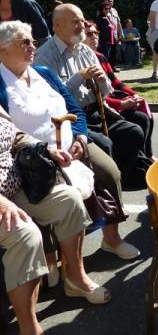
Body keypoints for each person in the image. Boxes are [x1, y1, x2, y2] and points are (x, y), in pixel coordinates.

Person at [0, 20, 140, 265]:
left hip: (71, 143)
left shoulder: (43, 72)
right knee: (57, 196)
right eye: (25, 42)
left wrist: (81, 137)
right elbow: (8, 134)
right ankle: (54, 256)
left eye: (33, 41)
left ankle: (112, 239)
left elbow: (74, 108)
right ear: (3, 49)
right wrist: (46, 150)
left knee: (109, 172)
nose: (33, 46)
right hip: (32, 157)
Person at [0, 107, 111, 326]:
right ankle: (29, 326)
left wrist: (46, 149)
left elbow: (15, 134)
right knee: (25, 234)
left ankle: (75, 279)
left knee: (69, 200)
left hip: (16, 188)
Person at [33, 4, 149, 191]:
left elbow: (105, 92)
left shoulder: (85, 51)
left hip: (96, 111)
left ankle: (120, 182)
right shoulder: (45, 57)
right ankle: (106, 190)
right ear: (57, 26)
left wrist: (102, 80)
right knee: (106, 143)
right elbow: (54, 98)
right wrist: (80, 77)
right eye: (75, 22)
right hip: (71, 119)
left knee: (135, 130)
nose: (81, 25)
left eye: (81, 20)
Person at [83, 20, 155, 160]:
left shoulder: (100, 57)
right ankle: (138, 160)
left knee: (145, 114)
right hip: (103, 109)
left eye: (96, 32)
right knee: (138, 123)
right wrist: (121, 104)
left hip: (112, 101)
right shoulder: (83, 61)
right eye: (89, 33)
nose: (94, 37)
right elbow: (94, 95)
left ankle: (146, 156)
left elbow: (115, 82)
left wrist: (135, 95)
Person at [104, 0, 123, 70]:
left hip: (114, 35)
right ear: (105, 1)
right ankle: (106, 68)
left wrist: (121, 33)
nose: (110, 2)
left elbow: (118, 22)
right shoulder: (102, 10)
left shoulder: (114, 10)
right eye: (108, 1)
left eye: (111, 1)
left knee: (114, 51)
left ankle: (113, 66)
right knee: (106, 52)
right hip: (106, 35)